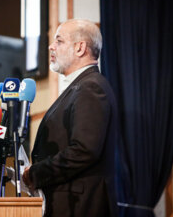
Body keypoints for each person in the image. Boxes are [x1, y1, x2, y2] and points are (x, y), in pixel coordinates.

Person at [23, 19, 118, 217]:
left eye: (59, 41)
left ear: (80, 48)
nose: (51, 46)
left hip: (82, 207)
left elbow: (84, 151)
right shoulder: (82, 86)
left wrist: (36, 173)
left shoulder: (90, 88)